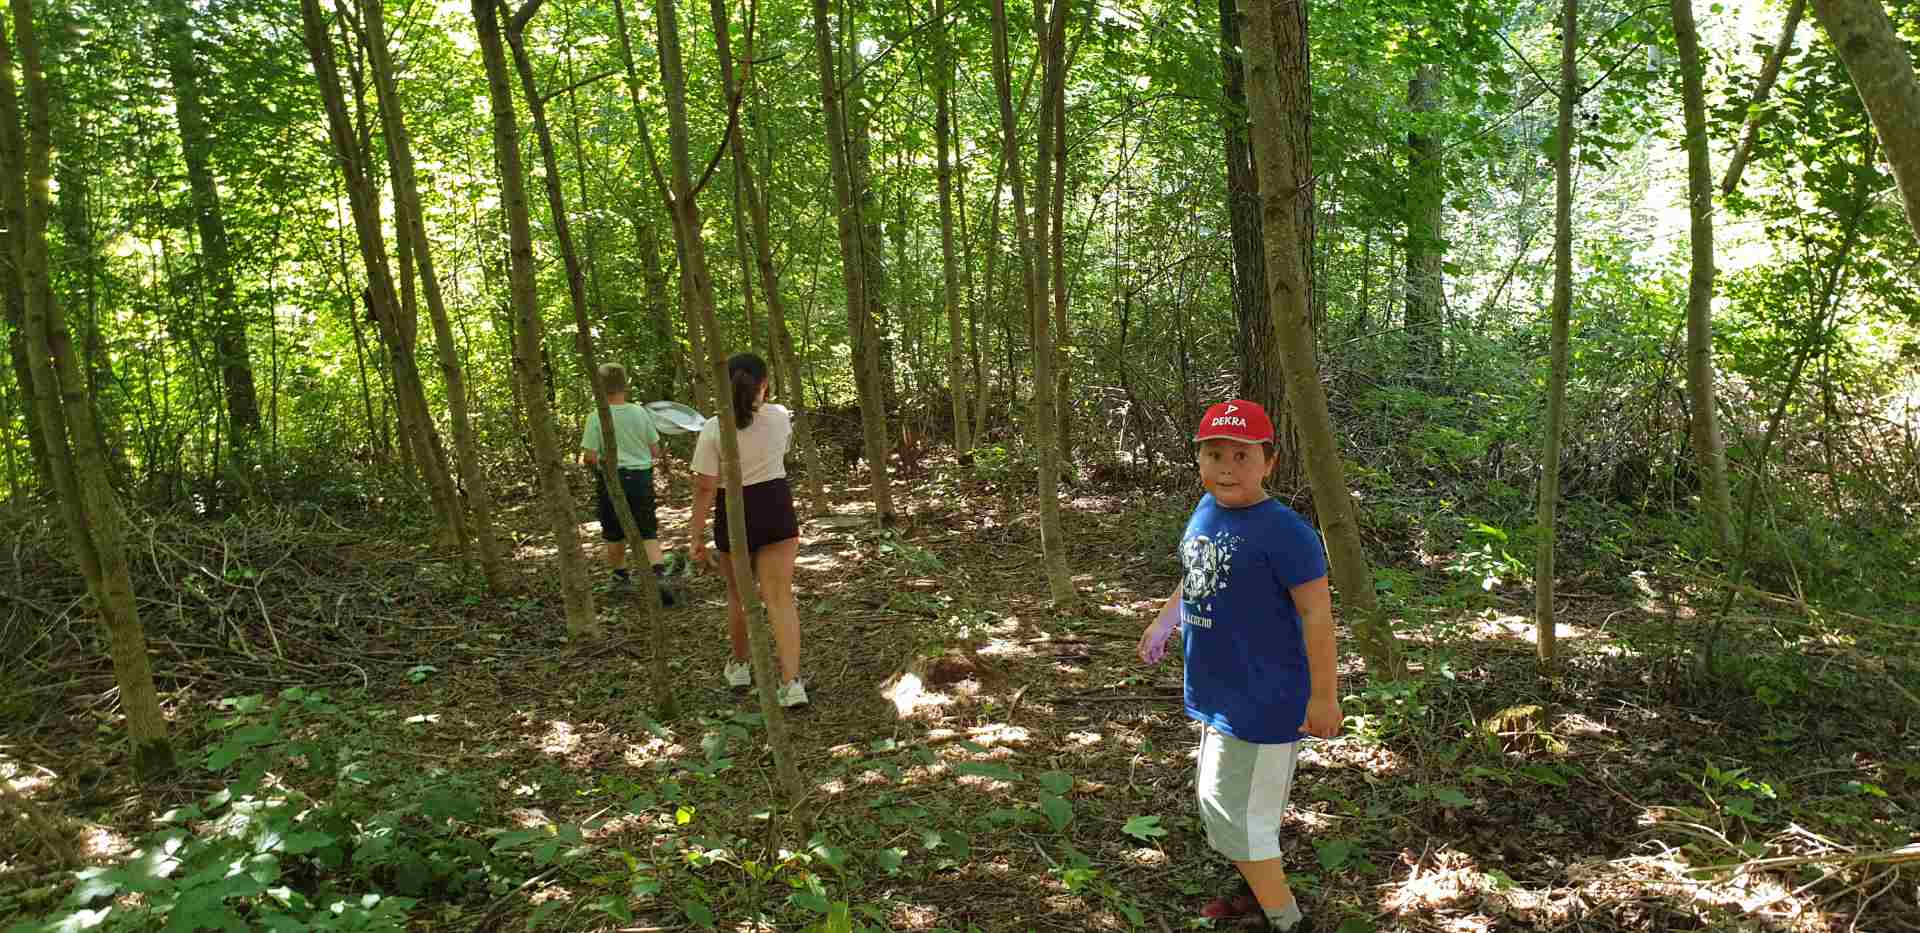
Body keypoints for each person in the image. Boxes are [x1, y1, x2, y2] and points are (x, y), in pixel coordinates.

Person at [1137, 399, 1342, 932]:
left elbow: (1317, 615)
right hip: (1218, 692)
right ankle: (1257, 891)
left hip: (1264, 700)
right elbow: (1196, 573)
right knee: (1236, 806)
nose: (1226, 467)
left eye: (1242, 456)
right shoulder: (1206, 510)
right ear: (1199, 458)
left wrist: (1324, 697)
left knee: (1233, 813)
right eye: (1214, 454)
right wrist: (1164, 622)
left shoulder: (1286, 532)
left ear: (1269, 462)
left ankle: (1287, 920)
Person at [688, 353, 807, 708]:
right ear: (764, 383)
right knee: (780, 598)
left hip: (734, 509)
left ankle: (740, 667)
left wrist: (695, 534)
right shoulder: (780, 416)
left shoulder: (713, 428)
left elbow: (705, 486)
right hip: (775, 506)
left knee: (740, 595)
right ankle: (792, 684)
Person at [579, 362, 673, 605]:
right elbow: (655, 450)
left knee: (613, 532)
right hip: (641, 479)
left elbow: (589, 456)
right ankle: (658, 575)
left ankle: (620, 578)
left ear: (599, 388)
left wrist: (596, 465)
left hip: (612, 479)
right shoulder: (640, 413)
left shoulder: (595, 417)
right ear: (625, 385)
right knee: (647, 530)